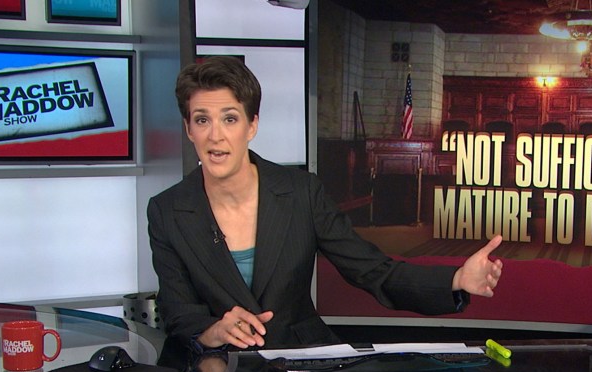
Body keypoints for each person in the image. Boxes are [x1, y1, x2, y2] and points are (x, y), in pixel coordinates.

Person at [147, 56, 503, 352]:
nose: (215, 136)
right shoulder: (167, 211)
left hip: (302, 361)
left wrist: (455, 279)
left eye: (230, 118)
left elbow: (373, 271)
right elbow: (178, 311)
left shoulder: (301, 192)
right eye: (202, 120)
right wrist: (212, 331)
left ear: (252, 125)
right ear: (188, 129)